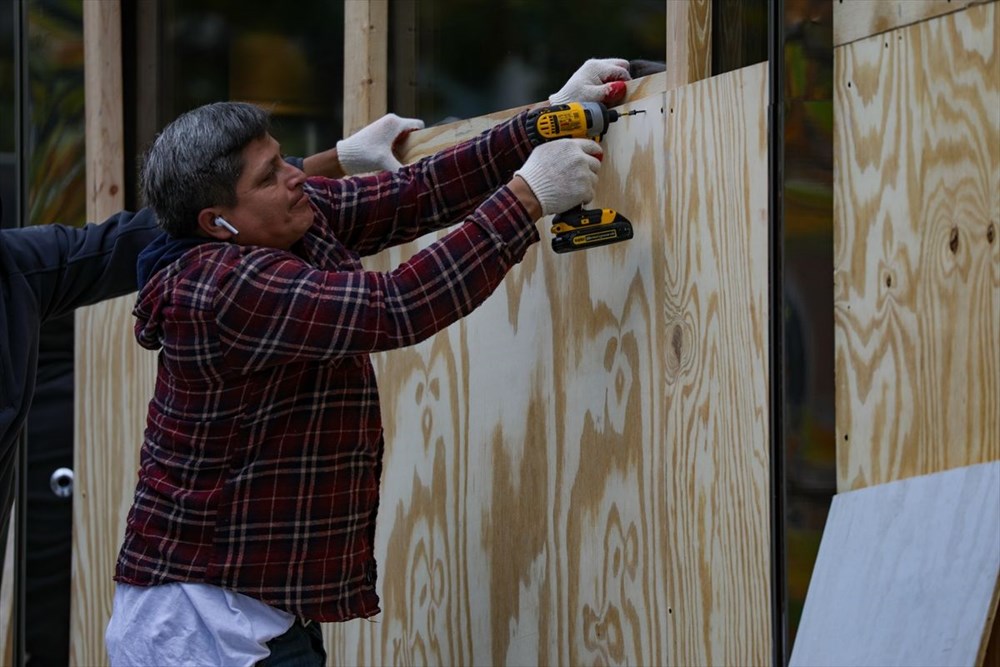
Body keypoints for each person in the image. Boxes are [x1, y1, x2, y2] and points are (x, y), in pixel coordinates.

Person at [103, 57, 631, 666]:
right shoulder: (218, 288)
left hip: (257, 609)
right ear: (215, 223)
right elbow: (395, 306)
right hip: (197, 630)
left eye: (281, 157)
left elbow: (412, 194)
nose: (296, 176)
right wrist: (526, 196)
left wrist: (539, 125)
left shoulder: (281, 224)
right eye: (270, 175)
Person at [0, 111, 424, 664]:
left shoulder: (13, 268)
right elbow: (394, 308)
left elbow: (149, 232)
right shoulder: (219, 296)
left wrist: (327, 163)